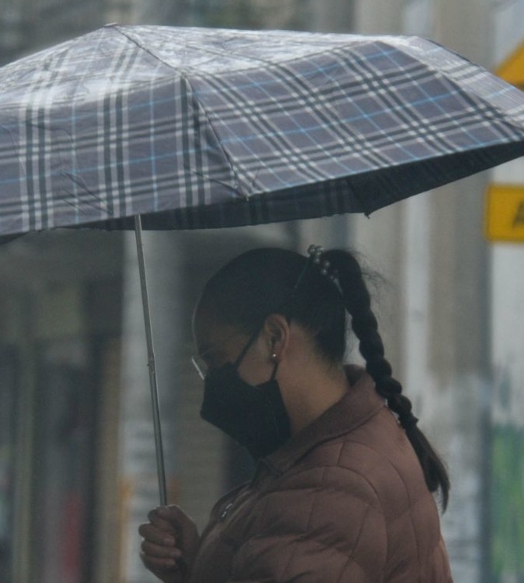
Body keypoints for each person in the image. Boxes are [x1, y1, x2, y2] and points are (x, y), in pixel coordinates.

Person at [139, 246, 453, 583]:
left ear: (275, 337)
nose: (214, 381)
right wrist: (195, 564)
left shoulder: (330, 489)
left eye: (216, 359)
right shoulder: (354, 441)